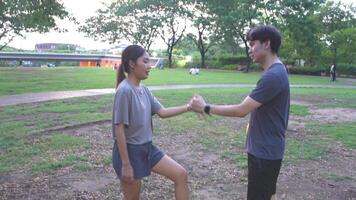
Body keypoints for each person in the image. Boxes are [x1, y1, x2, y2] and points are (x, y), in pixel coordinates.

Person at [190, 25, 290, 200]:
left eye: (252, 44)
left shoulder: (273, 76)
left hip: (264, 152)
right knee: (268, 194)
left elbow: (240, 110)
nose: (250, 49)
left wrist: (205, 107)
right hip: (267, 148)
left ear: (266, 44)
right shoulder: (277, 71)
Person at [112, 45, 190, 200]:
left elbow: (163, 112)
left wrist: (189, 107)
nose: (150, 66)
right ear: (132, 64)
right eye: (145, 61)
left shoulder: (144, 89)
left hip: (147, 148)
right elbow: (118, 130)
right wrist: (126, 165)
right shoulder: (124, 90)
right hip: (130, 152)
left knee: (180, 174)